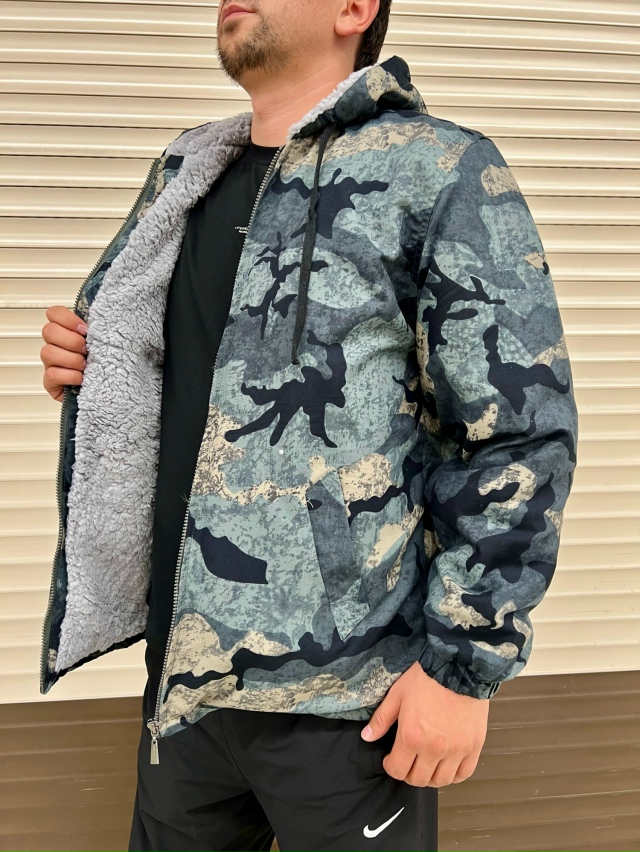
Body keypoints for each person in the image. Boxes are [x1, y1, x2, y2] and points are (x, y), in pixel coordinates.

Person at [38, 0, 579, 849]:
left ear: (354, 9)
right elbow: (176, 378)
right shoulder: (186, 171)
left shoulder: (439, 170)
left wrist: (462, 669)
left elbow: (517, 434)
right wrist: (96, 366)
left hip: (350, 701)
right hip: (184, 688)